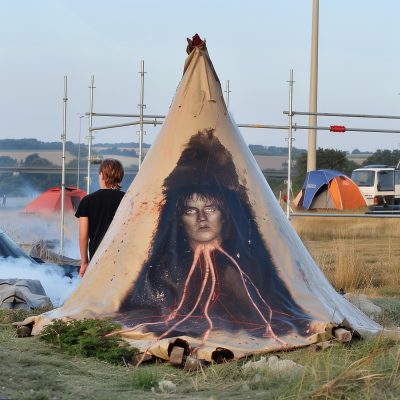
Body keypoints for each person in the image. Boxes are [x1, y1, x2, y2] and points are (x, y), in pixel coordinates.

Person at [75, 159, 125, 277]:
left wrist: (84, 262)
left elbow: (83, 236)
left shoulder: (87, 200)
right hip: (121, 256)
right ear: (120, 176)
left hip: (97, 257)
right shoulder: (127, 199)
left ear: (101, 175)